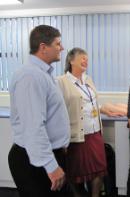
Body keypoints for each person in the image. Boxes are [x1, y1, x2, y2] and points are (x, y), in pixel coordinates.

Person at [8, 25, 71, 197]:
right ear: (43, 47)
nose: (62, 48)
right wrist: (51, 166)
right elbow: (33, 127)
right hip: (34, 159)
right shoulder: (30, 77)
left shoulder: (43, 74)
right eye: (58, 44)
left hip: (47, 154)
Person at [57, 47, 107, 197]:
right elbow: (60, 112)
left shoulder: (88, 79)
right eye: (82, 57)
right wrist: (62, 140)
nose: (86, 60)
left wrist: (109, 109)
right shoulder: (62, 82)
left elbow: (92, 104)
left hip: (95, 133)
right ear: (71, 60)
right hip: (77, 137)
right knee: (76, 173)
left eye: (87, 58)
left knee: (99, 171)